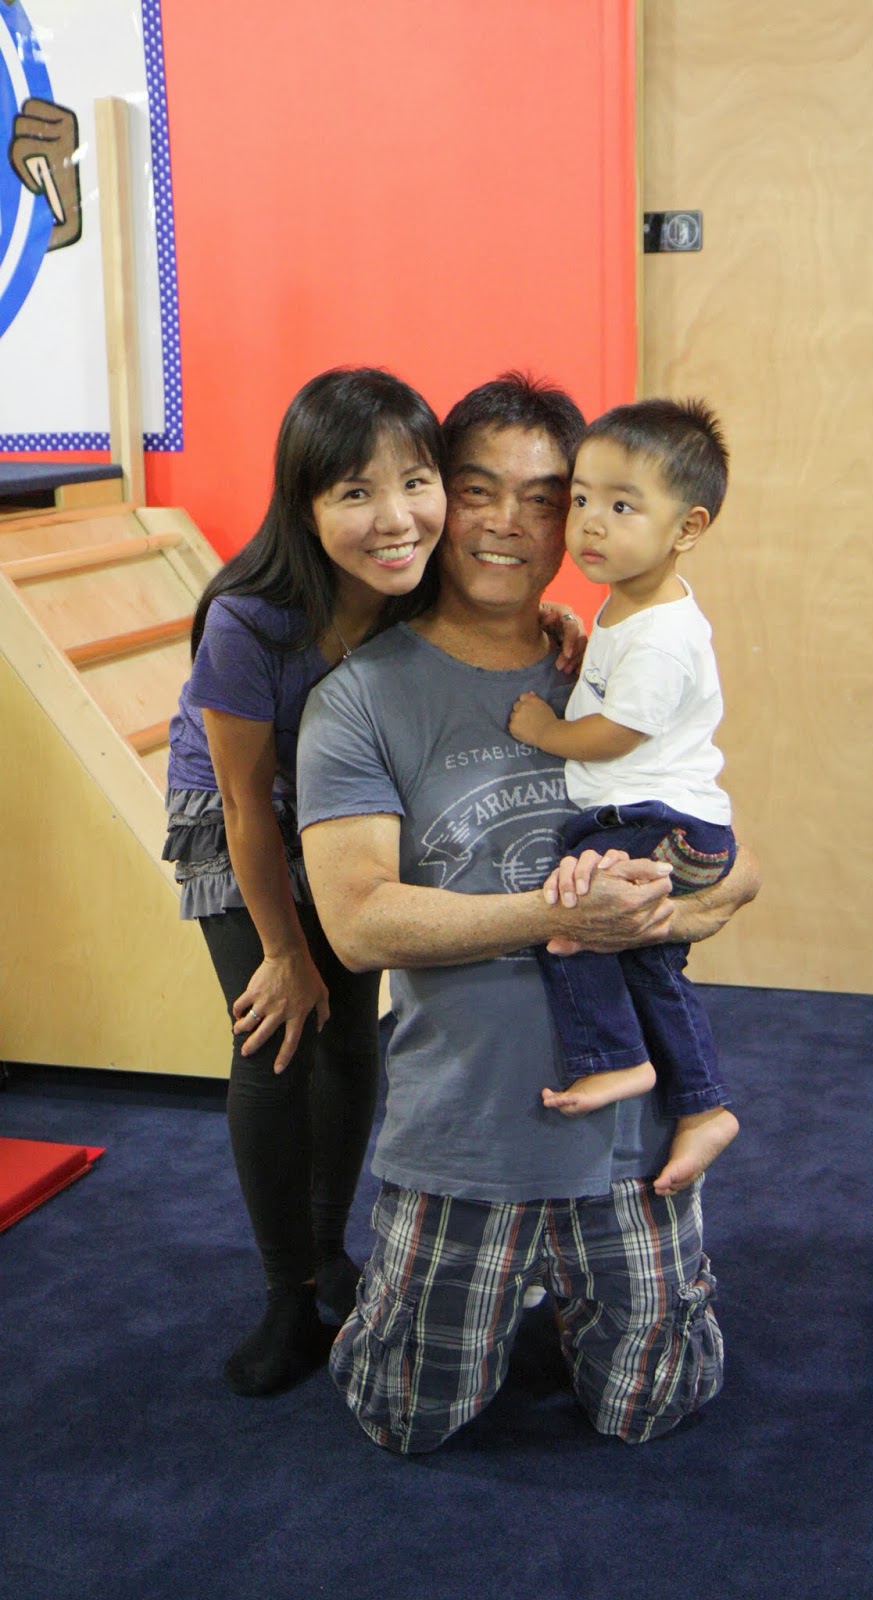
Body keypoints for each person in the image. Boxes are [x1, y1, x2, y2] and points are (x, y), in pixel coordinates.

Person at [297, 372, 760, 1452]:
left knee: (654, 1408)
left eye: (547, 498)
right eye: (477, 490)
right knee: (403, 1418)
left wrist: (664, 917)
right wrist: (567, 921)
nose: (509, 522)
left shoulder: (613, 666)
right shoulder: (358, 698)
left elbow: (736, 874)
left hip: (631, 1145)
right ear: (438, 501)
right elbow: (359, 925)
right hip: (464, 1141)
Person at [163, 366, 449, 1398]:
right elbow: (245, 806)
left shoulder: (428, 591)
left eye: (415, 481)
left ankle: (330, 1253)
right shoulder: (250, 618)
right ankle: (287, 1293)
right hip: (242, 820)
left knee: (351, 1032)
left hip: (349, 817)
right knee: (278, 1033)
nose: (395, 518)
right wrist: (283, 950)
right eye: (355, 492)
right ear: (306, 503)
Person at [507, 397, 739, 1197]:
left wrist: (546, 729)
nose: (591, 525)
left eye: (622, 506)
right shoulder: (630, 603)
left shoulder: (663, 634)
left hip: (658, 823)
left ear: (688, 528)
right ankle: (703, 1104)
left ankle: (616, 1057)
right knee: (650, 967)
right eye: (580, 500)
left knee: (572, 918)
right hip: (664, 818)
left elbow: (615, 734)